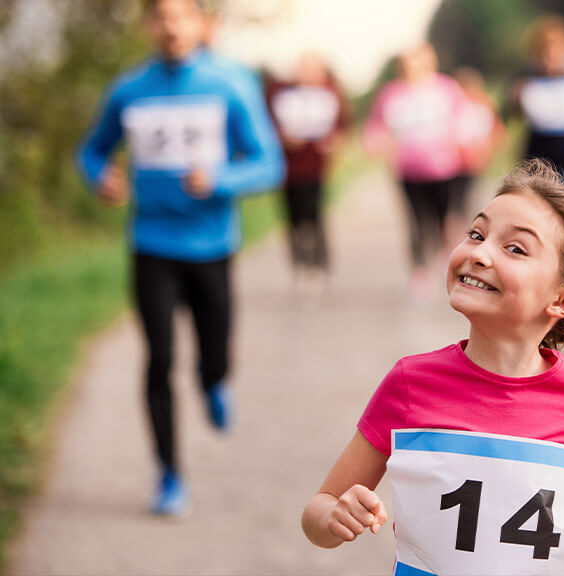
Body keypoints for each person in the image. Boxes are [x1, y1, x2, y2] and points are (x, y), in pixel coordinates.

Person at [300, 159, 564, 576]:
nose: (479, 253)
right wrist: (333, 517)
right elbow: (319, 510)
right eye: (476, 233)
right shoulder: (411, 383)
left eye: (515, 248)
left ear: (562, 301)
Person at [76, 0, 284, 516]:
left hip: (212, 247)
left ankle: (214, 381)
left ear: (200, 24)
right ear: (149, 25)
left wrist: (220, 179)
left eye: (181, 16)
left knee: (213, 354)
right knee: (159, 358)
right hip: (152, 245)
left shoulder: (230, 85)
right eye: (161, 17)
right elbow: (92, 150)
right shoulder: (128, 90)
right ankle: (169, 474)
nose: (171, 27)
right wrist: (99, 176)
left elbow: (268, 163)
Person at [363, 42, 467, 301]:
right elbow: (375, 127)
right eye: (410, 63)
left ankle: (444, 254)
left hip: (444, 168)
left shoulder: (446, 88)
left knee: (443, 219)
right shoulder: (391, 94)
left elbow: (465, 119)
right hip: (408, 171)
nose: (414, 68)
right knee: (417, 221)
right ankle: (420, 273)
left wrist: (461, 139)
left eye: (420, 62)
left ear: (430, 62)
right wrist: (376, 143)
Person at [266, 52, 352, 290]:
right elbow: (267, 124)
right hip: (287, 170)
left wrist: (334, 142)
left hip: (316, 170)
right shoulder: (280, 93)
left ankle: (321, 265)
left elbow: (343, 127)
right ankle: (300, 267)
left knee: (315, 218)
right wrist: (282, 137)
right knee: (292, 221)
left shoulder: (330, 94)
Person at [505, 15, 564, 187]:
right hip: (536, 159)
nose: (552, 55)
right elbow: (510, 114)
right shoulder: (526, 81)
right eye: (546, 50)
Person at [450, 66, 506, 248]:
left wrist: (487, 149)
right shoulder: (454, 106)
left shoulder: (484, 103)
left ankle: (464, 233)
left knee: (465, 200)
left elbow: (495, 130)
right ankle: (459, 233)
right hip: (455, 162)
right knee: (459, 201)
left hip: (475, 161)